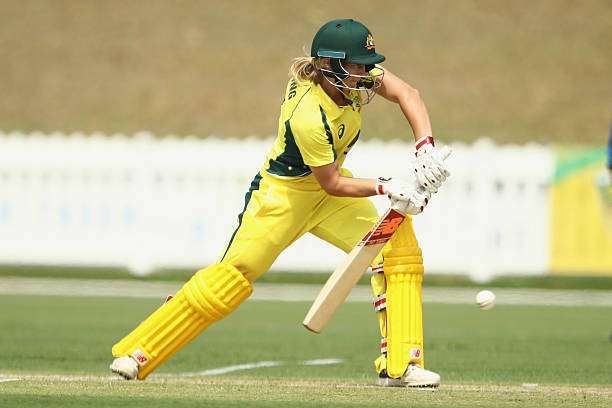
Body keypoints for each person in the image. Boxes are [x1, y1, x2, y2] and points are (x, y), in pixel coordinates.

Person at [109, 18, 450, 388]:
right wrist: (386, 187)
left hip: (328, 192)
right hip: (283, 197)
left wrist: (424, 146)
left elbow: (408, 94)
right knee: (230, 279)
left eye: (367, 64)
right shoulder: (309, 113)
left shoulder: (352, 76)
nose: (365, 73)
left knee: (397, 246)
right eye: (357, 65)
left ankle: (403, 363)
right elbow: (332, 183)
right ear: (329, 65)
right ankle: (139, 352)